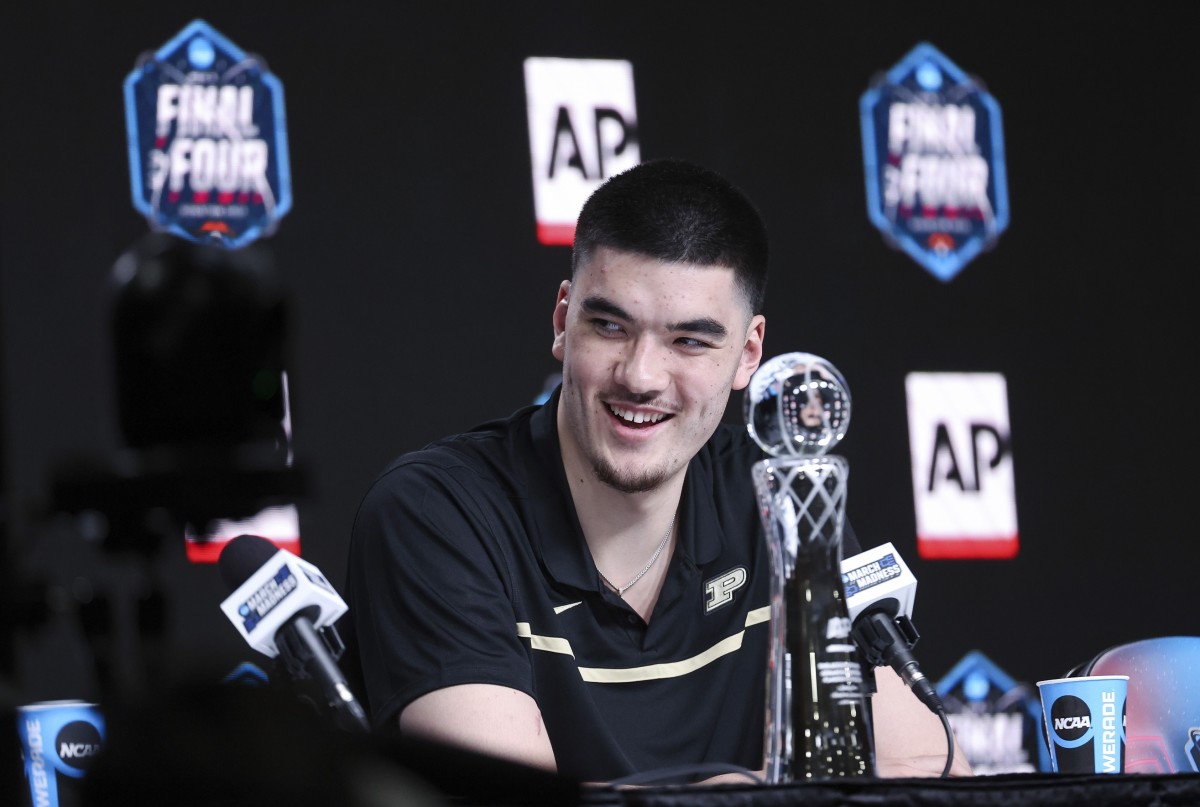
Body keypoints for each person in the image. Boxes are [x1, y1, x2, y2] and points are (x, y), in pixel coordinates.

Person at [345, 159, 970, 783]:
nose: (641, 377)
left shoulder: (777, 495)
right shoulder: (436, 513)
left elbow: (923, 769)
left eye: (690, 342)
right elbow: (501, 799)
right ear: (563, 321)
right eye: (611, 326)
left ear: (748, 354)